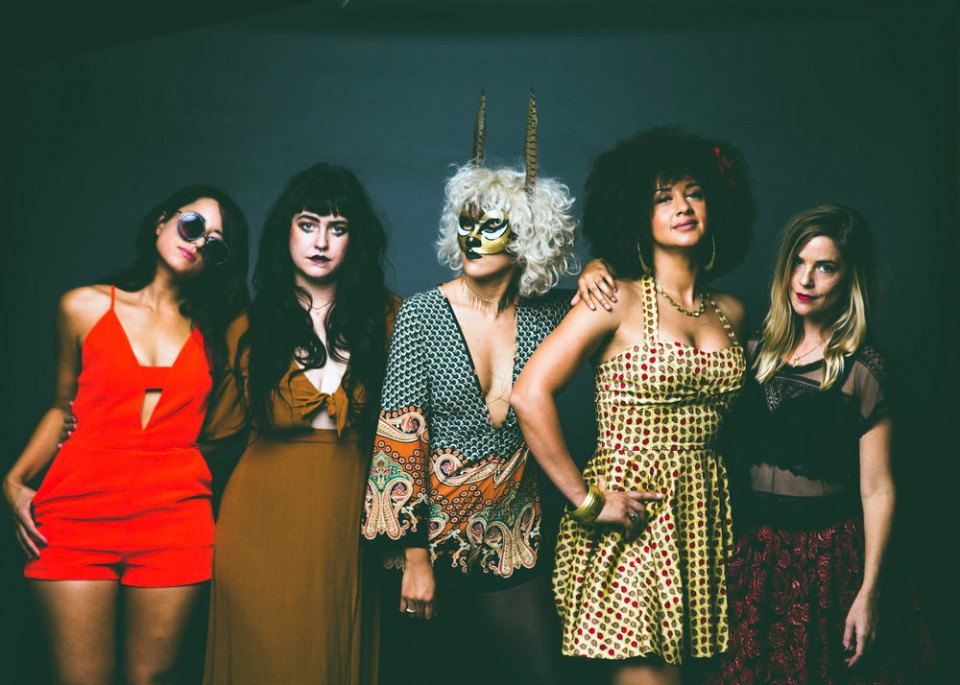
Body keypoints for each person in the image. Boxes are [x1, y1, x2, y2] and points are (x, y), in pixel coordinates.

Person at [511, 127, 756, 684]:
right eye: (663, 197)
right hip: (633, 518)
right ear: (635, 215)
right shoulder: (613, 298)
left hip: (706, 518)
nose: (682, 207)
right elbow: (529, 394)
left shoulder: (733, 312)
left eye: (694, 193)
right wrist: (586, 501)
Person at [361, 94, 589, 685]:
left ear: (528, 238)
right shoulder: (421, 314)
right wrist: (414, 560)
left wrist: (596, 270)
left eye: (491, 225)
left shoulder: (551, 315)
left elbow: (612, 306)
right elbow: (398, 441)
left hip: (514, 539)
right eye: (466, 221)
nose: (472, 236)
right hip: (430, 545)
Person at [3, 186, 249, 684]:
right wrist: (13, 480)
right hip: (77, 512)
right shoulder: (83, 306)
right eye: (192, 226)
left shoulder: (220, 333)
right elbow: (61, 407)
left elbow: (235, 421)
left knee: (150, 679)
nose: (198, 244)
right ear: (162, 222)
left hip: (174, 520)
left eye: (214, 244)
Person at [703, 204, 935, 684]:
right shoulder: (751, 351)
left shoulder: (863, 369)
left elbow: (878, 489)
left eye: (825, 267)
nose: (805, 280)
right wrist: (602, 269)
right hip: (755, 559)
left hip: (827, 563)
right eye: (798, 263)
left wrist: (869, 592)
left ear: (850, 278)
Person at [201, 163, 398, 685]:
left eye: (338, 228)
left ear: (355, 238)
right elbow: (211, 432)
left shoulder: (389, 318)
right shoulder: (246, 324)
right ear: (285, 231)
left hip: (346, 517)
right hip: (257, 520)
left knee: (331, 655)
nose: (321, 242)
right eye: (308, 225)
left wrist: (588, 272)